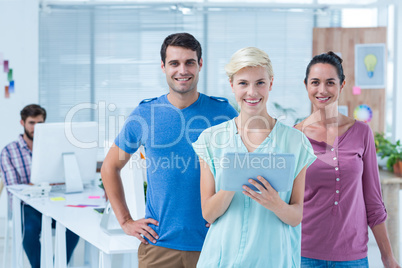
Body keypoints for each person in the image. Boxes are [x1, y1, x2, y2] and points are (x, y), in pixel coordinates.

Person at [101, 32, 238, 268]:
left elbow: (244, 167)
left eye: (189, 62)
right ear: (163, 67)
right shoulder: (145, 113)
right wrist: (125, 221)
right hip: (159, 247)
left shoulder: (223, 113)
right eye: (174, 63)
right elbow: (110, 167)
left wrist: (231, 216)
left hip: (213, 244)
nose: (182, 70)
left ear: (200, 65)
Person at [192, 47, 316, 267]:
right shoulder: (211, 140)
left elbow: (296, 216)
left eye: (260, 82)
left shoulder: (296, 142)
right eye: (243, 83)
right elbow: (208, 214)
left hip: (274, 259)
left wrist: (276, 203)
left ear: (271, 83)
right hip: (224, 260)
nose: (252, 92)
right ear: (232, 85)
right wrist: (233, 181)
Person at [295, 52, 400, 268]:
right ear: (306, 85)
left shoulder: (362, 132)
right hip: (303, 253)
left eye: (330, 82)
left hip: (352, 256)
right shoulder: (295, 135)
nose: (322, 90)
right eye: (315, 82)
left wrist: (388, 257)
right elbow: (284, 199)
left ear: (342, 85)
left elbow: (373, 200)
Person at [0, 104, 80, 268]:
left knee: (74, 227)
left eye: (40, 123)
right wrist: (39, 185)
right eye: (31, 123)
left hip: (53, 201)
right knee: (29, 231)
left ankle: (55, 265)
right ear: (22, 123)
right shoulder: (9, 151)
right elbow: (13, 189)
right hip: (27, 205)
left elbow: (62, 177)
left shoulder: (53, 147)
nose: (36, 127)